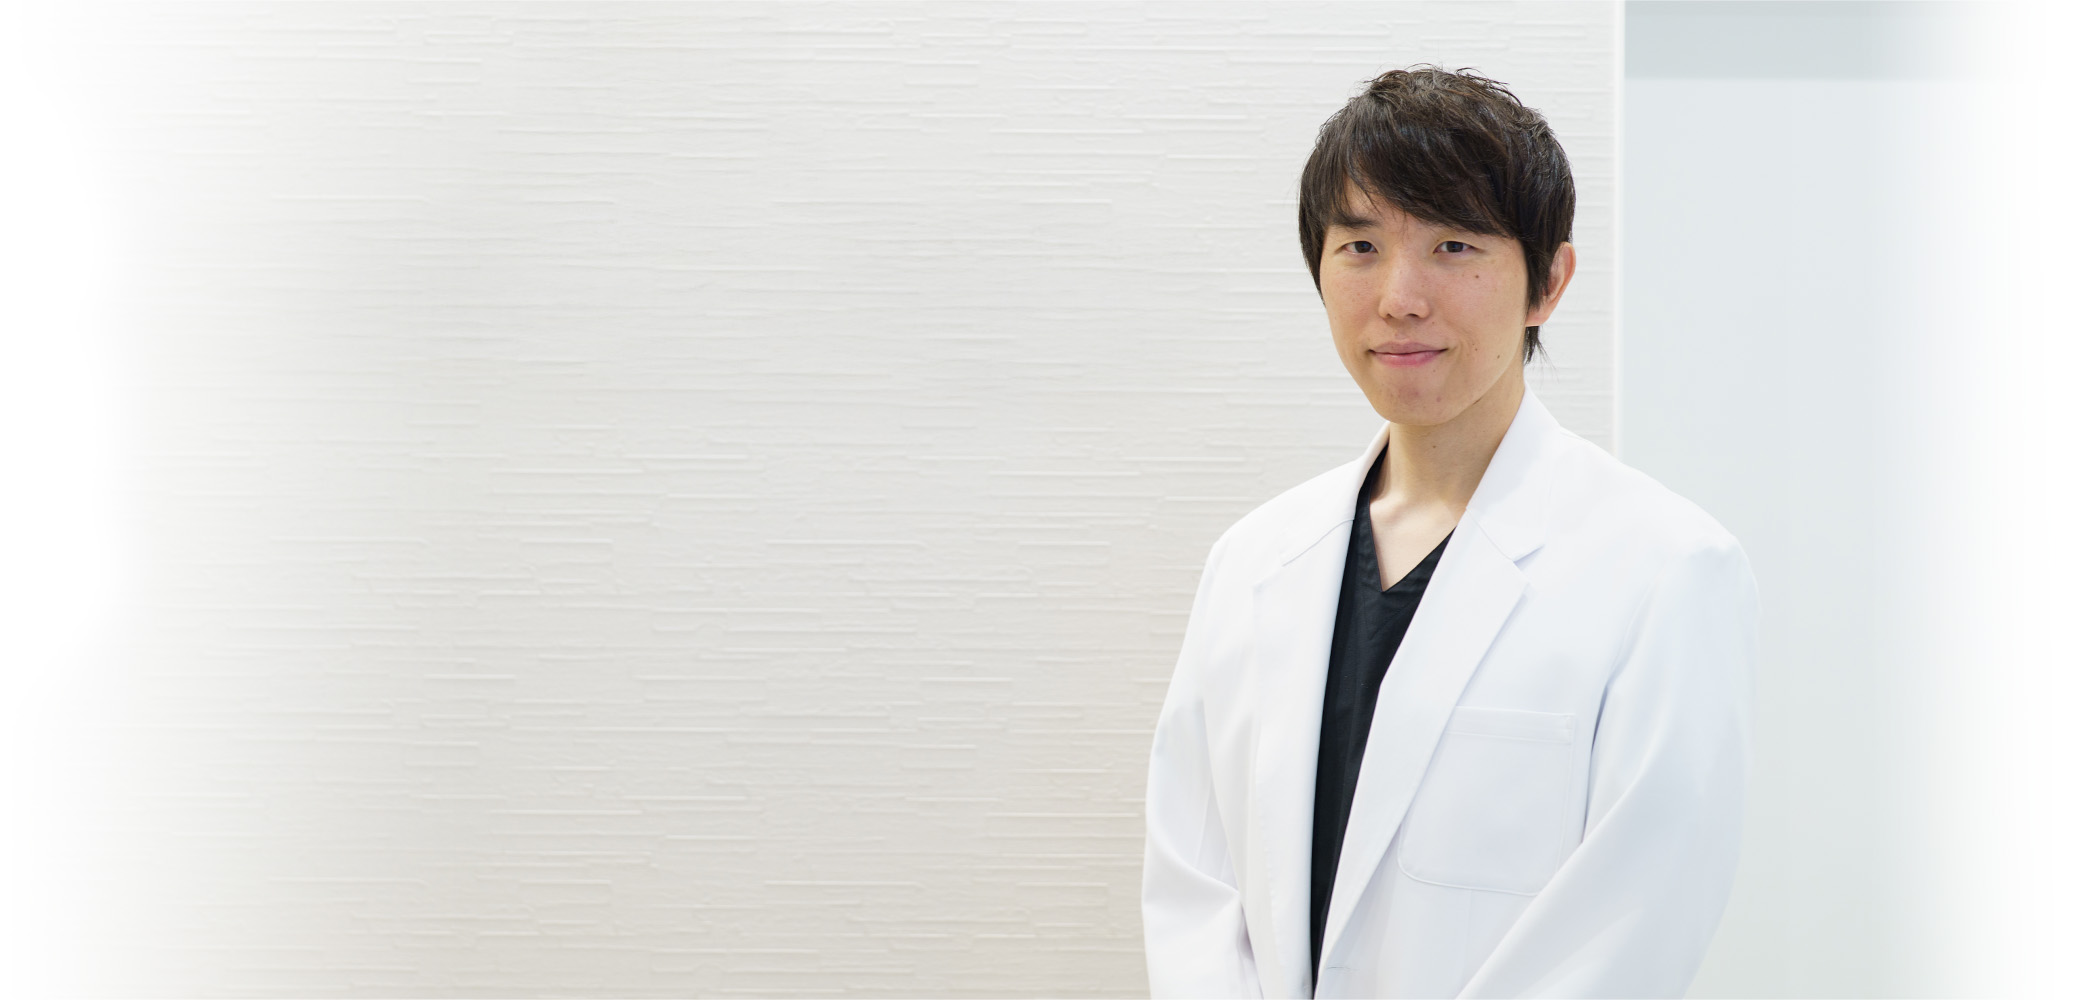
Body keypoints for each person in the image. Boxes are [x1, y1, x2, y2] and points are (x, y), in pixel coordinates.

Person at [1140, 66, 1758, 998]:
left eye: (1454, 245)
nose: (1400, 296)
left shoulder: (1668, 571)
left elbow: (1629, 926)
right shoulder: (1253, 561)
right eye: (1360, 246)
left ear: (1548, 282)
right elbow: (1196, 884)